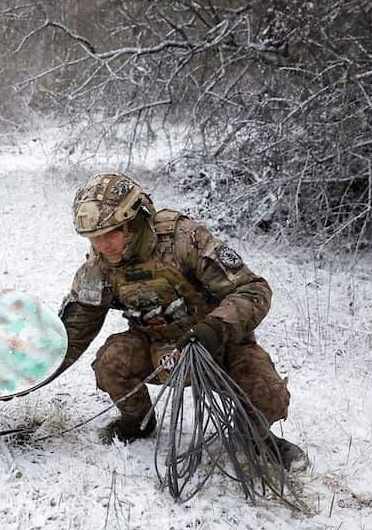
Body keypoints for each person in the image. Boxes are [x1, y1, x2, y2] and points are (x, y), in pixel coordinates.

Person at [56, 172, 307, 469]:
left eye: (111, 233)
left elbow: (253, 289)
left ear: (134, 222)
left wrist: (214, 328)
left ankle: (256, 437)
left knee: (267, 393)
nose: (102, 245)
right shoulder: (98, 267)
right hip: (156, 349)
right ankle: (137, 421)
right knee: (112, 361)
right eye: (94, 238)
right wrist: (21, 378)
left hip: (216, 344)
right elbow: (73, 332)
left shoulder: (183, 240)